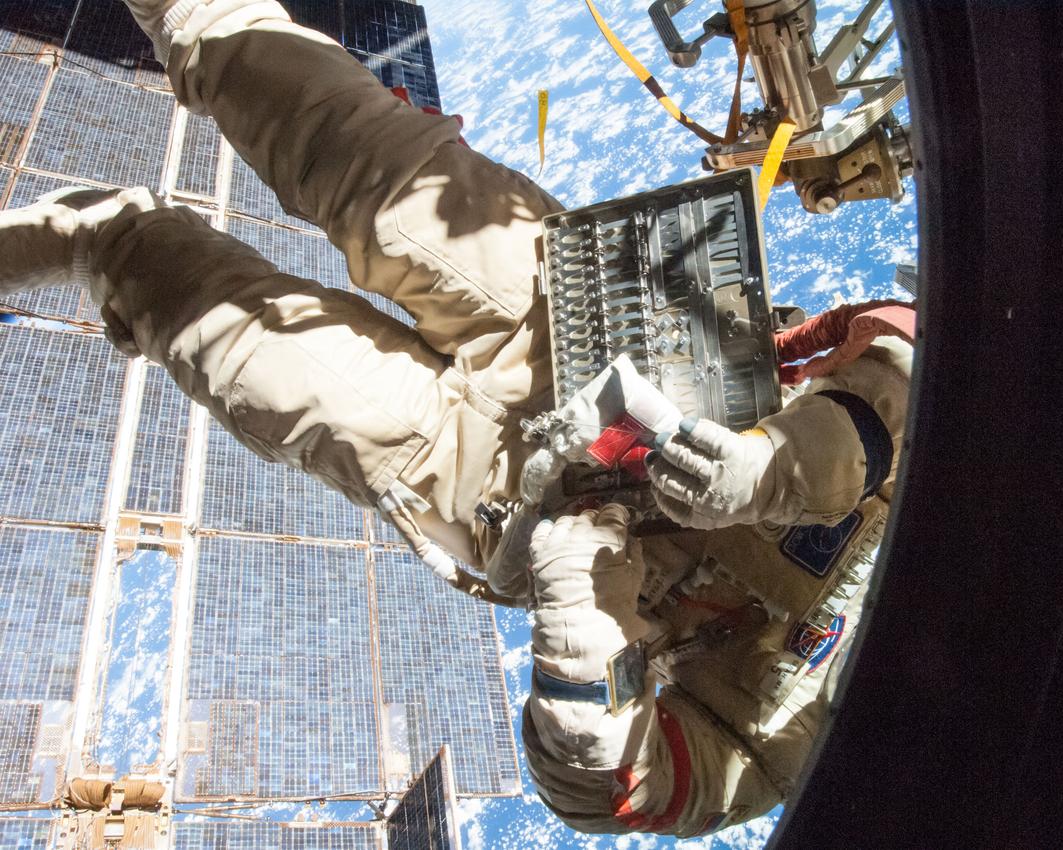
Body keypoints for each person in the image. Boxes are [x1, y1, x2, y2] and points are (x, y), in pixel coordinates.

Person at [0, 0, 913, 836]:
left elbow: (604, 788)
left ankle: (96, 242)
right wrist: (780, 468)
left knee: (205, 317)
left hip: (507, 492)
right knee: (331, 135)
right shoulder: (1024, 516)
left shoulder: (806, 754)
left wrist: (576, 610)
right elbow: (912, 349)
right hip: (598, 327)